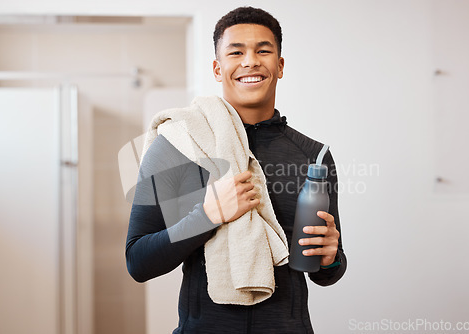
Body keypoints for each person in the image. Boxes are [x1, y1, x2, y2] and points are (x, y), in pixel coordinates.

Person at [126, 6, 346, 333]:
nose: (250, 61)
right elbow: (138, 261)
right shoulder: (178, 144)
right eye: (236, 52)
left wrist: (331, 258)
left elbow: (325, 273)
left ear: (280, 66)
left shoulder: (313, 157)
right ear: (218, 68)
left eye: (263, 50)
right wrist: (209, 216)